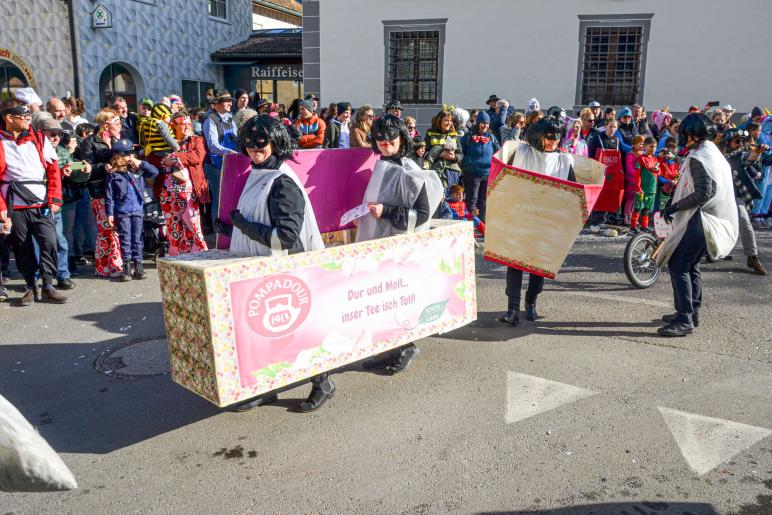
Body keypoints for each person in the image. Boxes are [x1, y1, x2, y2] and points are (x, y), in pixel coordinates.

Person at [216, 115, 327, 413]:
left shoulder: (283, 184)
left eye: (261, 141)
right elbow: (263, 219)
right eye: (249, 142)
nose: (254, 148)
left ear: (276, 142)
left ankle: (322, 383)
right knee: (266, 332)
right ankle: (267, 388)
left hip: (288, 267)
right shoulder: (259, 173)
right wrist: (231, 229)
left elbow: (285, 238)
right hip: (264, 265)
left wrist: (243, 225)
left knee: (300, 330)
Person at [356, 114, 443, 374]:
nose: (385, 141)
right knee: (381, 299)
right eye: (379, 136)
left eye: (390, 136)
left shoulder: (409, 170)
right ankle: (387, 348)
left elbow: (423, 213)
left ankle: (406, 346)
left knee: (397, 300)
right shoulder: (381, 165)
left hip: (398, 247)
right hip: (378, 243)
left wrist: (387, 212)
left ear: (402, 137)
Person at [657, 114, 739, 337]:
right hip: (712, 220)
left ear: (692, 135)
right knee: (691, 265)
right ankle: (692, 312)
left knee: (678, 264)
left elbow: (705, 192)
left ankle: (684, 319)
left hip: (703, 221)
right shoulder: (712, 153)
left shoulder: (699, 157)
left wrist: (674, 207)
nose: (683, 138)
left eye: (685, 134)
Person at [499, 116, 575, 327]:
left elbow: (573, 192)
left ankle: (531, 302)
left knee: (538, 265)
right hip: (521, 216)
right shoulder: (522, 153)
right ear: (538, 136)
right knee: (515, 263)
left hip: (546, 221)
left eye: (556, 139)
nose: (552, 143)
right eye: (548, 138)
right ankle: (512, 308)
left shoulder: (563, 161)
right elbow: (507, 180)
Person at [0, 99, 67, 305]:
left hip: (40, 202)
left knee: (49, 242)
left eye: (29, 116)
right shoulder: (1, 142)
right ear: (9, 118)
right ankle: (30, 286)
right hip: (15, 204)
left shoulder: (39, 139)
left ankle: (48, 284)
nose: (28, 120)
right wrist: (1, 208)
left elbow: (53, 170)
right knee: (22, 247)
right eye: (24, 117)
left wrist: (55, 197)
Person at [104, 139, 159, 281]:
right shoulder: (114, 174)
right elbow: (109, 196)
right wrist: (109, 214)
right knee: (125, 238)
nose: (129, 156)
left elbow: (154, 172)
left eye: (131, 153)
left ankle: (138, 267)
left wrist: (140, 163)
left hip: (137, 209)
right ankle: (127, 268)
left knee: (137, 239)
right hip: (122, 211)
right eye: (126, 154)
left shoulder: (136, 169)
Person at [79, 108, 125, 277]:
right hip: (100, 190)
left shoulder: (121, 138)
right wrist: (103, 167)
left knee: (118, 227)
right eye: (116, 122)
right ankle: (109, 265)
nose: (120, 124)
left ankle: (111, 265)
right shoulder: (90, 142)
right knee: (107, 228)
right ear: (106, 125)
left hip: (120, 189)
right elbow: (87, 167)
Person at [158, 113, 209, 256]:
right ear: (173, 126)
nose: (187, 126)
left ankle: (199, 251)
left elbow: (197, 157)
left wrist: (174, 157)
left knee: (192, 222)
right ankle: (177, 253)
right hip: (167, 191)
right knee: (173, 225)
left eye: (189, 123)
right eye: (182, 124)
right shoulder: (164, 141)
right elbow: (155, 160)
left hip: (189, 189)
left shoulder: (196, 140)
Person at [40, 118, 80, 289]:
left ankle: (63, 275)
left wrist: (84, 170)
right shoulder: (33, 151)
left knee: (59, 240)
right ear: (41, 133)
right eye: (52, 134)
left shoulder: (63, 152)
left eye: (59, 135)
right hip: (35, 201)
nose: (56, 138)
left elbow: (76, 175)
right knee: (38, 242)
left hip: (56, 202)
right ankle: (36, 277)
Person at [720, 128, 766, 275]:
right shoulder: (716, 156)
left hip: (734, 197)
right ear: (728, 143)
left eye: (742, 141)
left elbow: (749, 157)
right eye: (736, 141)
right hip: (715, 197)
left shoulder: (739, 156)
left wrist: (758, 151)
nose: (740, 144)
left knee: (744, 221)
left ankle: (752, 257)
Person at [202, 89, 238, 227]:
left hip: (229, 163)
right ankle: (218, 233)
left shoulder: (230, 118)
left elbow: (235, 139)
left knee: (229, 197)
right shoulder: (210, 120)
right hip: (214, 165)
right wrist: (233, 153)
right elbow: (213, 146)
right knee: (219, 199)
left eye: (230, 101)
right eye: (226, 101)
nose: (230, 103)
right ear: (216, 104)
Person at [460, 111, 499, 220]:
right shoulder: (468, 136)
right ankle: (471, 222)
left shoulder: (491, 137)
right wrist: (467, 165)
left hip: (487, 173)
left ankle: (482, 223)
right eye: (482, 123)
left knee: (484, 200)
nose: (485, 126)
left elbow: (498, 152)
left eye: (487, 123)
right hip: (472, 173)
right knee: (472, 199)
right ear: (478, 123)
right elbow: (460, 152)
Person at [629, 137, 660, 233]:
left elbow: (659, 173)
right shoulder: (640, 159)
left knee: (646, 209)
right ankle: (633, 227)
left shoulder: (655, 159)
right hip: (642, 189)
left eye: (655, 147)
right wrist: (638, 188)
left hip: (652, 189)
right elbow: (637, 175)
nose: (653, 149)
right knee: (638, 208)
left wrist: (657, 170)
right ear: (645, 147)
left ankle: (644, 226)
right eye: (651, 146)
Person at [424, 108, 463, 185]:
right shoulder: (430, 133)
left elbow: (460, 154)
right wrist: (439, 154)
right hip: (435, 170)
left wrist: (454, 157)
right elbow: (425, 152)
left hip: (451, 171)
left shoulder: (454, 135)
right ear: (439, 121)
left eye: (450, 121)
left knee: (450, 196)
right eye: (446, 120)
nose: (449, 123)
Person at [623, 135, 646, 224]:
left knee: (637, 200)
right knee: (630, 199)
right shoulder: (630, 154)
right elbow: (629, 169)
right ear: (634, 145)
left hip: (639, 180)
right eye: (640, 144)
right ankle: (626, 217)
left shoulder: (643, 154)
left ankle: (633, 217)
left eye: (643, 144)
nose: (642, 146)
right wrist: (638, 175)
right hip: (631, 180)